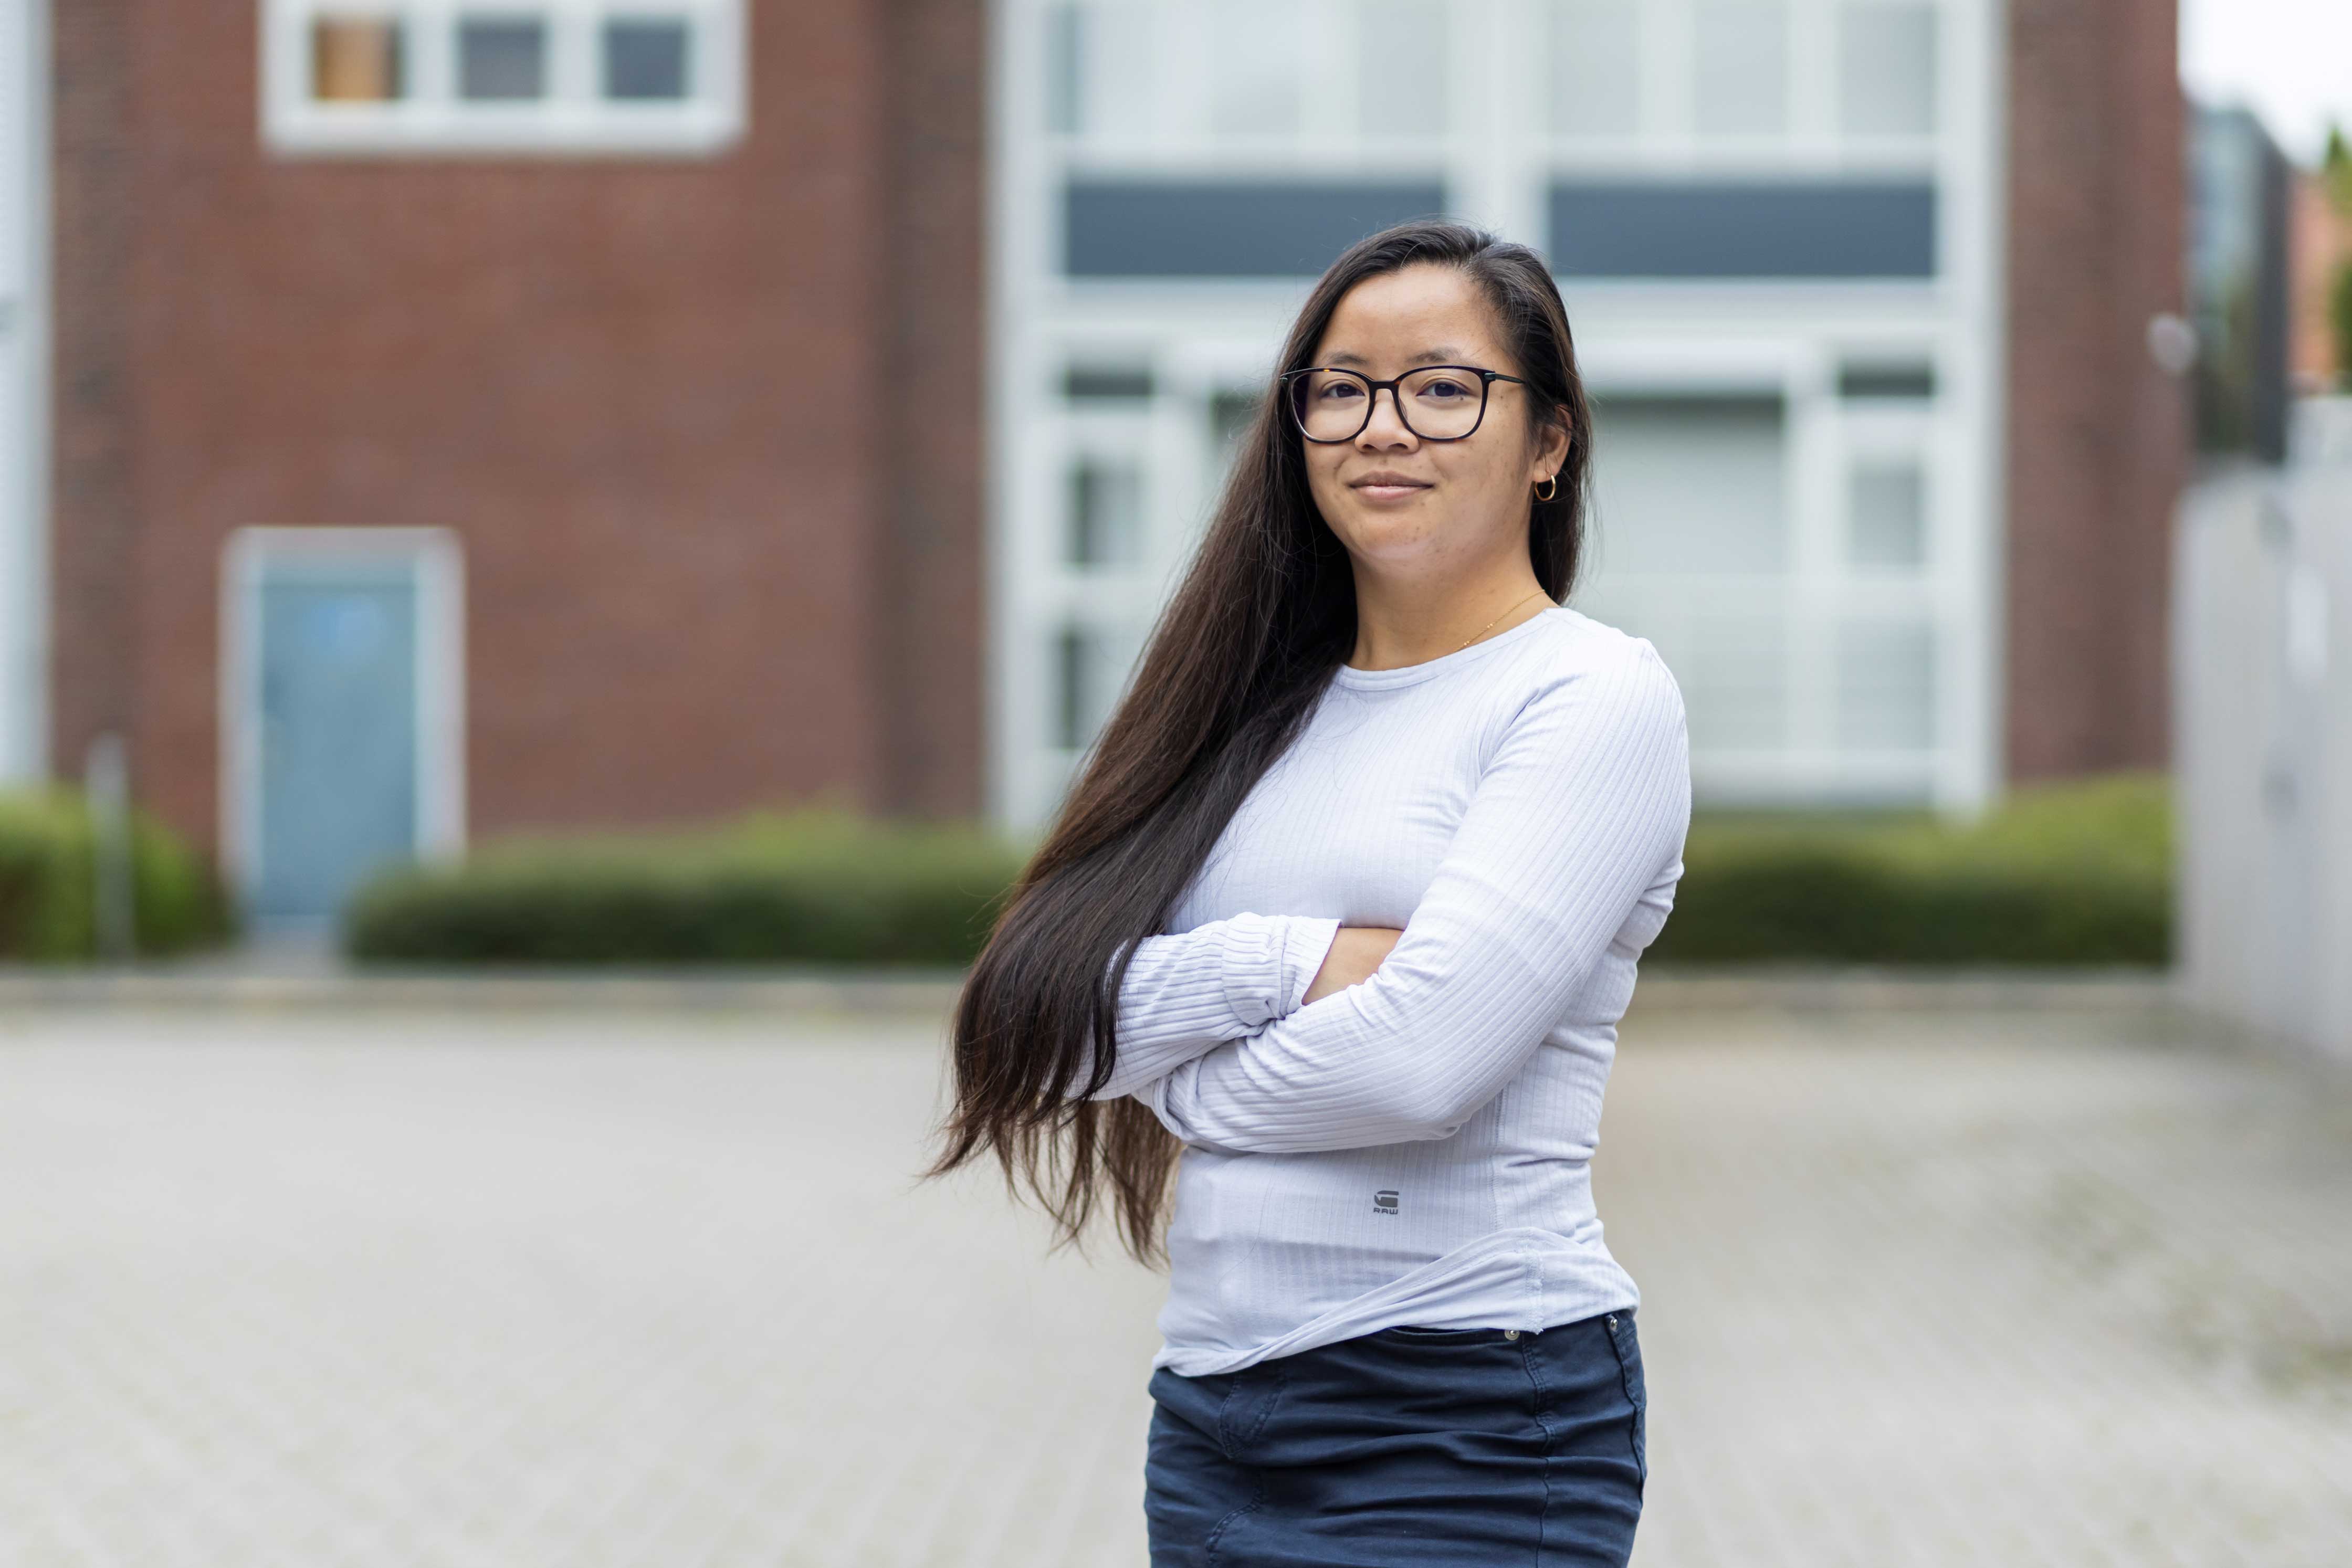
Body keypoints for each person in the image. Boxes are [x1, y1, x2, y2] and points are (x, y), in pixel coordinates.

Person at [932, 220, 1692, 1566]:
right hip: (1216, 1411)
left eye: (1443, 388)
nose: (1379, 427)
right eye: (1337, 389)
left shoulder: (1587, 696)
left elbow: (1419, 1063)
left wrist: (1175, 1083)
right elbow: (1041, 1018)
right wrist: (1294, 961)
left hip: (1466, 1408)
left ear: (1550, 444)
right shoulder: (1238, 712)